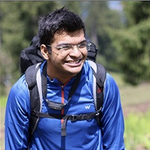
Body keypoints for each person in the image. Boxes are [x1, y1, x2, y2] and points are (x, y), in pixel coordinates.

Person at [5, 7, 126, 150]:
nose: (76, 53)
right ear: (45, 51)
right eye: (65, 47)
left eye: (82, 44)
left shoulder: (101, 83)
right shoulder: (25, 90)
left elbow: (115, 146)